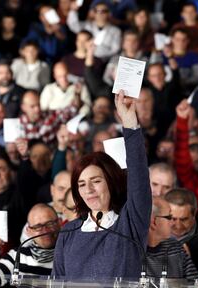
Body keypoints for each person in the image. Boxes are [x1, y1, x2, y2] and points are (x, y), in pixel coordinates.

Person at [52, 90, 151, 278]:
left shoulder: (129, 223)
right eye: (81, 184)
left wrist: (129, 123)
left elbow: (139, 177)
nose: (88, 190)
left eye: (96, 181)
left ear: (111, 182)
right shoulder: (69, 232)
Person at [0, 204, 60, 287]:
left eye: (50, 223)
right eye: (37, 226)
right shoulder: (16, 256)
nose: (45, 231)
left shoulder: (70, 253)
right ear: (28, 231)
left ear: (59, 223)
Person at [146, 197, 198, 279]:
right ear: (153, 222)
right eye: (169, 217)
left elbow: (195, 283)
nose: (173, 223)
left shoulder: (176, 247)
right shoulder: (131, 252)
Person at [164, 188, 198, 274]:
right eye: (172, 219)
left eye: (184, 219)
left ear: (194, 214)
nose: (178, 226)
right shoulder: (150, 233)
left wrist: (189, 264)